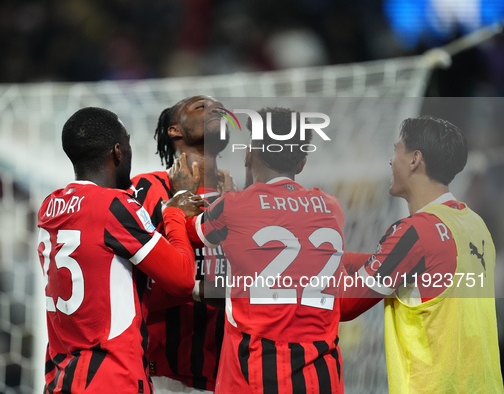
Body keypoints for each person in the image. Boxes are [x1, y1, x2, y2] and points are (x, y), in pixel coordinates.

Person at [36, 107, 203, 394]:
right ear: (117, 152)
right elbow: (182, 278)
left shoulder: (50, 207)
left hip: (61, 377)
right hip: (111, 377)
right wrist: (174, 211)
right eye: (127, 143)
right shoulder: (115, 206)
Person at [340, 116, 504, 393]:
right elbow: (415, 268)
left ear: (415, 159)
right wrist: (340, 257)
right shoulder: (475, 225)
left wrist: (310, 259)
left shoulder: (415, 232)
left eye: (396, 151)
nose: (391, 162)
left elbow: (345, 304)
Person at [189, 107, 345, 393]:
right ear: (301, 164)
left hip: (256, 371)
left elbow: (195, 233)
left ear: (249, 155)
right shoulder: (332, 207)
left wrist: (173, 213)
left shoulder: (233, 206)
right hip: (322, 375)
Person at [130, 95, 230, 393]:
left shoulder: (242, 197)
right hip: (162, 375)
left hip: (229, 374)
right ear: (174, 131)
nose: (216, 111)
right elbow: (129, 282)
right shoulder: (145, 187)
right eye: (202, 107)